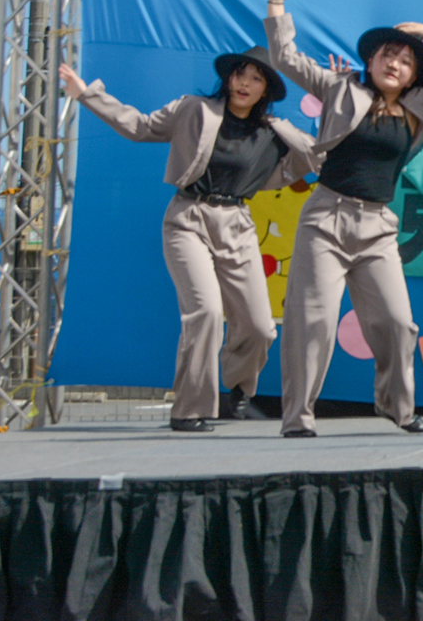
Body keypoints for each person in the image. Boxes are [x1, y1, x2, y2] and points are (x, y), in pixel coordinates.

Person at [264, 0, 423, 438]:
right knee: (313, 322)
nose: (395, 64)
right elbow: (285, 57)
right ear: (370, 62)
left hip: (377, 226)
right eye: (388, 55)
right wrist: (277, 3)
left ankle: (397, 407)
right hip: (326, 219)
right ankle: (298, 417)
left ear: (412, 77)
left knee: (397, 323)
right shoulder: (339, 87)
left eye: (406, 61)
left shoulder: (421, 108)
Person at [60, 49, 313, 432]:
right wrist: (86, 94)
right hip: (188, 218)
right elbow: (139, 126)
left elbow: (318, 157)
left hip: (237, 224)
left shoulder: (273, 133)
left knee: (260, 327)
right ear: (228, 78)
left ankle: (239, 386)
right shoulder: (195, 110)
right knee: (205, 312)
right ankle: (189, 410)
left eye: (256, 79)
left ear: (266, 90)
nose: (245, 83)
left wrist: (331, 103)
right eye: (240, 74)